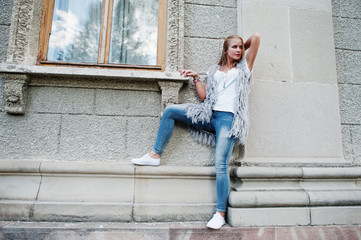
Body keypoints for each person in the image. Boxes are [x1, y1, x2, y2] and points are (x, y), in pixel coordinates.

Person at [131, 33, 260, 229]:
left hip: (228, 120)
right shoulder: (215, 70)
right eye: (234, 47)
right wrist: (197, 78)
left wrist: (242, 44)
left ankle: (220, 213)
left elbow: (256, 38)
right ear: (225, 50)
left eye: (241, 47)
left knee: (220, 165)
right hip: (209, 115)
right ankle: (155, 154)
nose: (239, 50)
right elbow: (204, 97)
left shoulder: (244, 68)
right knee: (171, 111)